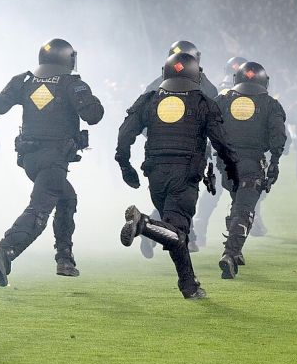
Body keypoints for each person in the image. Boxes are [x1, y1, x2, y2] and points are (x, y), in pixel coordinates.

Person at [0, 39, 103, 285]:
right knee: (39, 209)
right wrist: (84, 93)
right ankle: (6, 250)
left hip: (30, 159)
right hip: (55, 158)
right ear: (69, 59)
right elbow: (94, 116)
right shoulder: (72, 84)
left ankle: (65, 258)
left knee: (67, 198)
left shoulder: (25, 81)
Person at [116, 52, 240, 299]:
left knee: (173, 232)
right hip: (184, 175)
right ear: (197, 74)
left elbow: (125, 134)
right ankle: (143, 224)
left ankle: (189, 285)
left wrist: (125, 166)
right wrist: (232, 171)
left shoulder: (150, 99)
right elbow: (223, 144)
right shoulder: (204, 102)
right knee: (177, 231)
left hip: (155, 174)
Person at [140, 41, 219, 256]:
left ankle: (177, 235)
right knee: (182, 195)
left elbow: (142, 120)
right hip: (191, 153)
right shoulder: (204, 86)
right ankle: (163, 232)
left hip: (158, 153)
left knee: (170, 196)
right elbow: (215, 116)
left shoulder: (156, 85)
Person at [212, 62, 286, 279]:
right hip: (251, 164)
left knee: (238, 205)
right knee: (245, 210)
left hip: (225, 164)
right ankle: (230, 253)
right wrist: (275, 163)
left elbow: (209, 126)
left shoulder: (223, 100)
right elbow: (278, 137)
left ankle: (237, 250)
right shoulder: (271, 104)